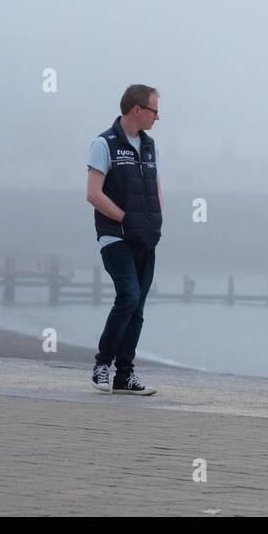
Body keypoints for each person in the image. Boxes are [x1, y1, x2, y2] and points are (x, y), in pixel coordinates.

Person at [86, 84, 162, 395]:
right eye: (154, 110)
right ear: (137, 110)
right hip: (115, 237)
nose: (158, 116)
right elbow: (93, 194)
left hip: (146, 238)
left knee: (138, 307)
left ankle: (125, 375)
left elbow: (155, 187)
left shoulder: (149, 144)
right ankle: (102, 365)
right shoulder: (104, 144)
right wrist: (126, 219)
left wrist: (155, 220)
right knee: (128, 296)